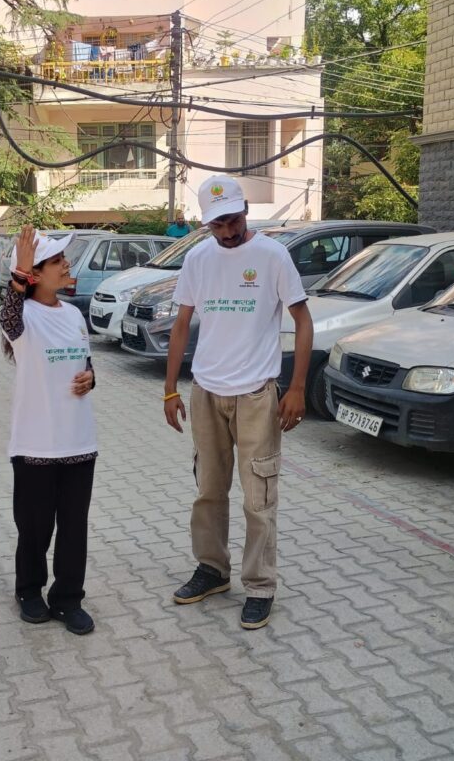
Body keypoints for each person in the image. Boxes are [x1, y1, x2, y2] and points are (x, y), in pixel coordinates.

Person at [163, 175, 313, 630]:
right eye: (217, 224)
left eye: (232, 220)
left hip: (256, 396)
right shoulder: (198, 258)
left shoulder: (272, 255)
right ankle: (212, 569)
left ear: (245, 210)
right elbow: (181, 325)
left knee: (257, 497)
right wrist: (170, 389)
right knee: (209, 491)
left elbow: (303, 320)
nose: (227, 231)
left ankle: (260, 585)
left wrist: (297, 387)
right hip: (206, 391)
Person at [1, 225, 98, 635]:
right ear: (35, 274)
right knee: (35, 528)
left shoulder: (73, 314)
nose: (66, 265)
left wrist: (90, 378)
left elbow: (85, 363)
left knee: (74, 528)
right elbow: (8, 315)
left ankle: (68, 598)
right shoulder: (22, 318)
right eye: (57, 261)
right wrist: (18, 276)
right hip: (35, 445)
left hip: (79, 441)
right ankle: (28, 591)